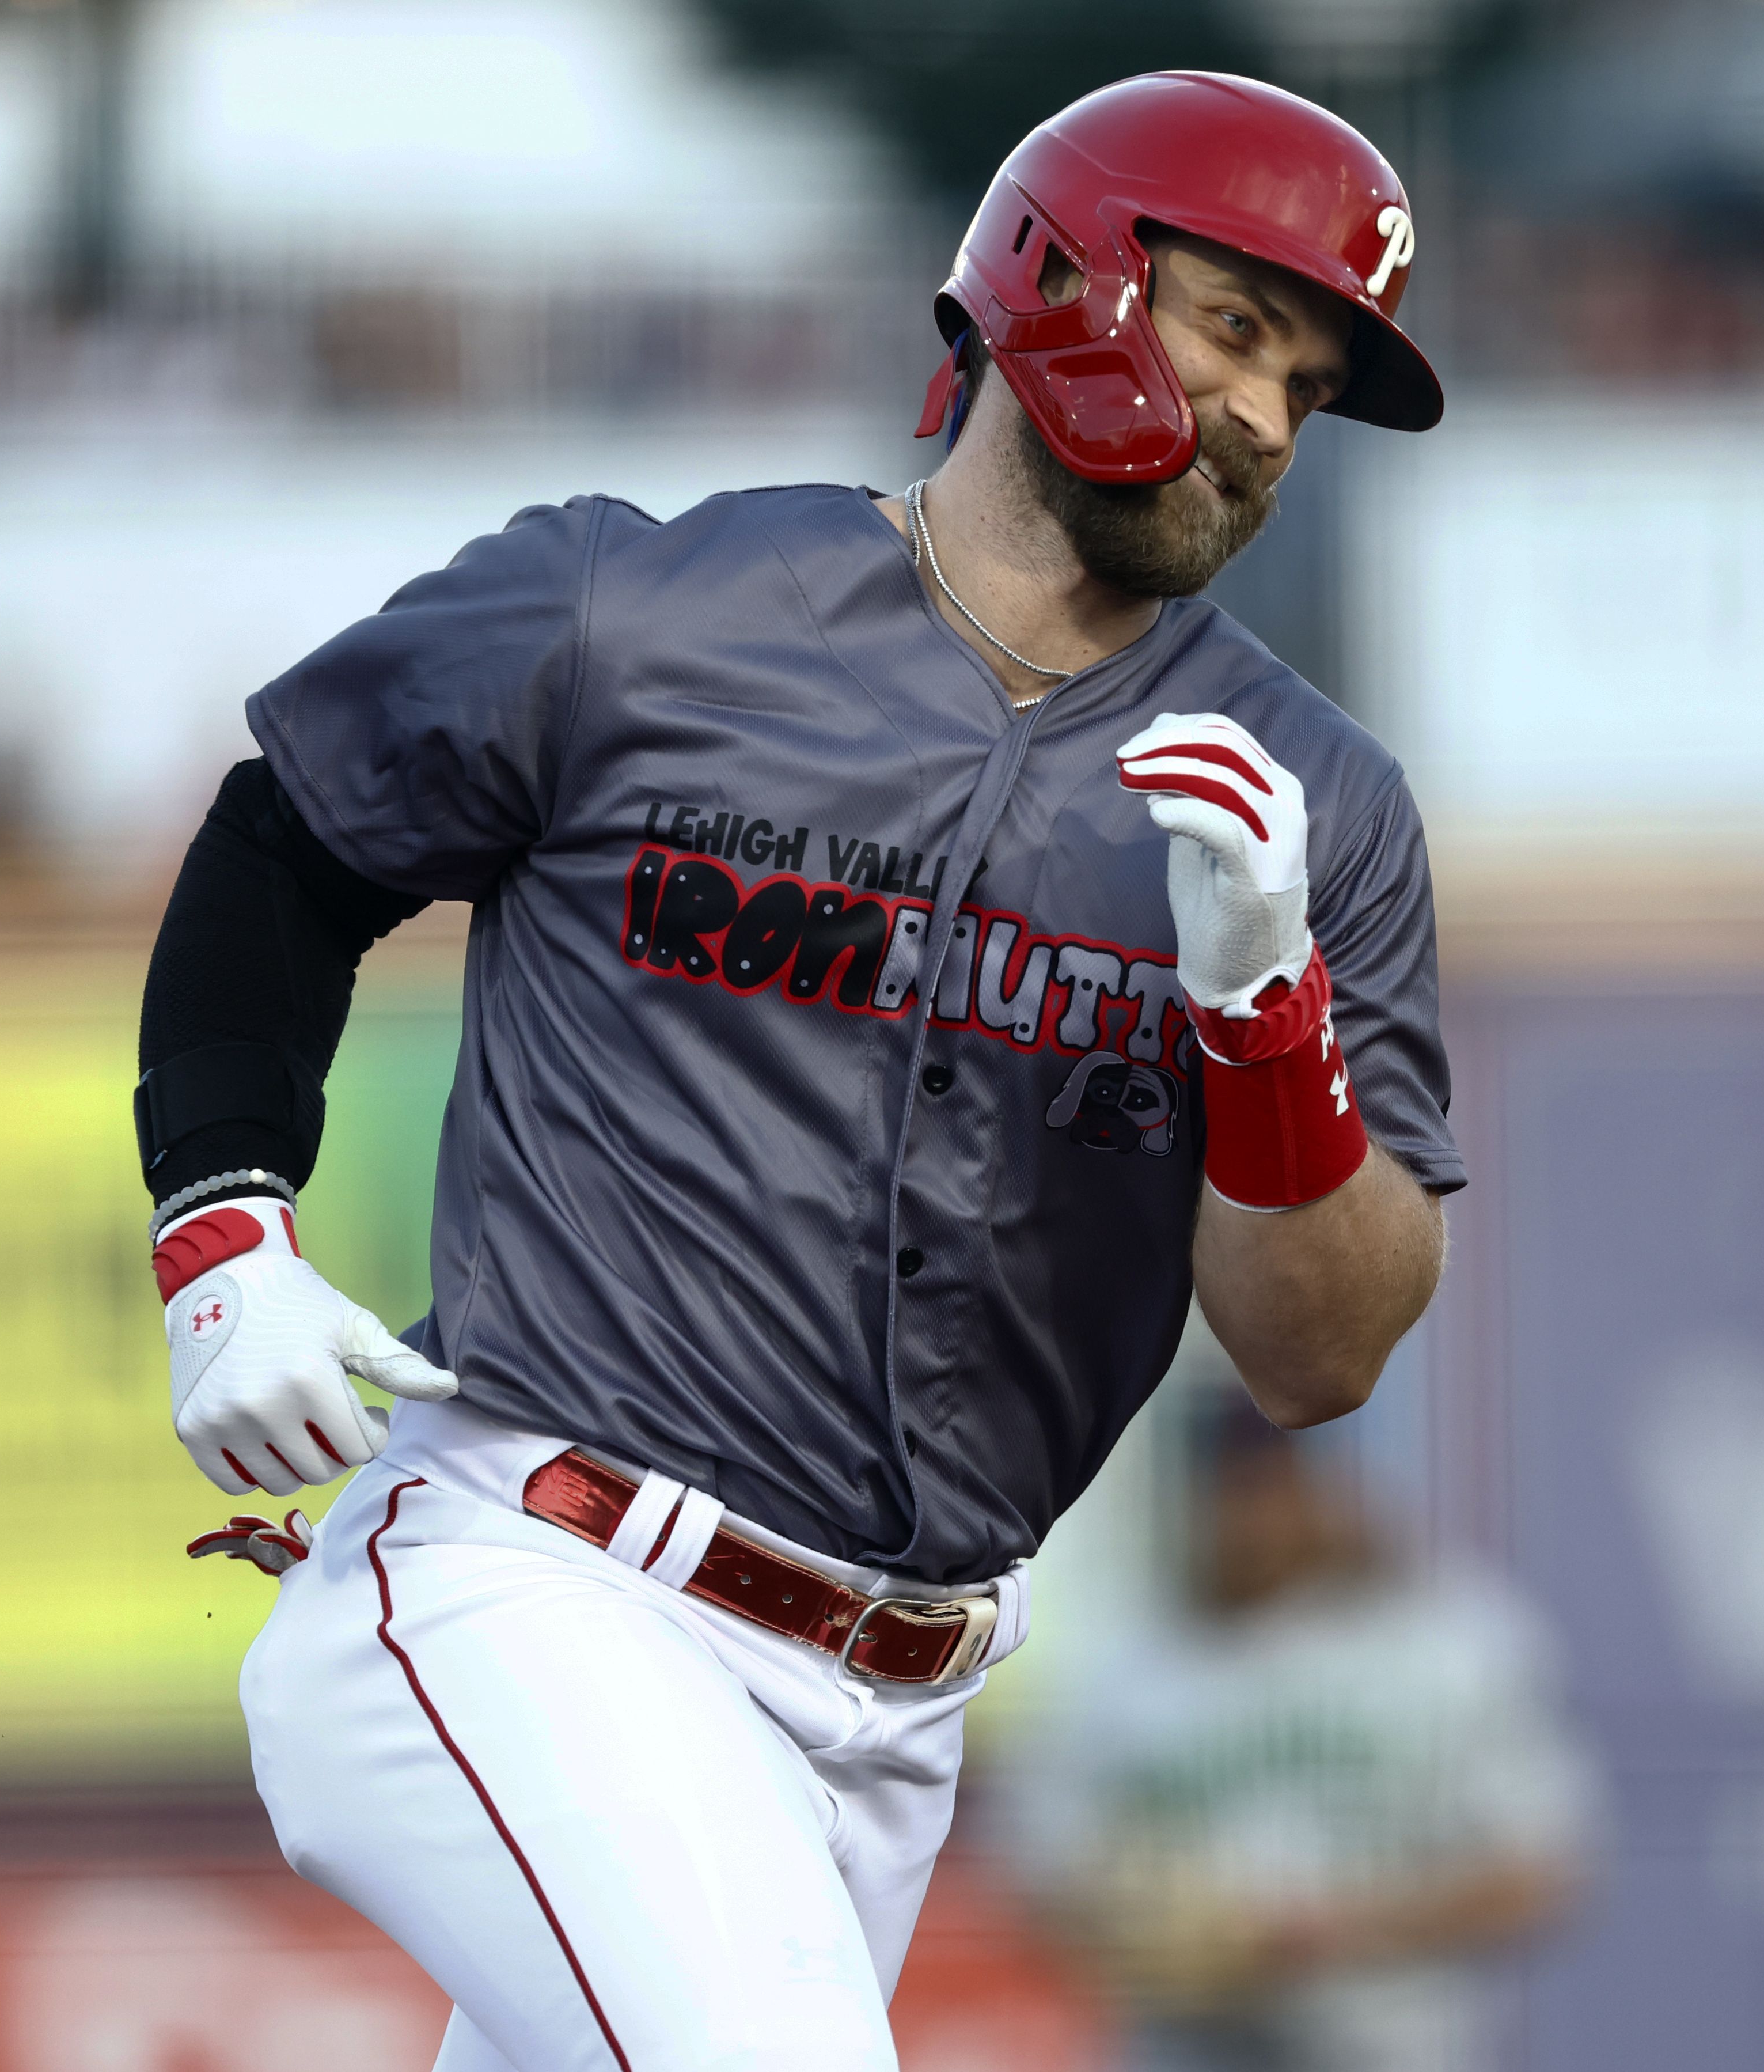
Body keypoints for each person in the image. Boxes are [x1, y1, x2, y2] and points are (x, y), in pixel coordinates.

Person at [132, 72, 1461, 2072]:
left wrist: (1269, 1025)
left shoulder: (1318, 811)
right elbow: (284, 848)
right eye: (1237, 329)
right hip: (539, 1577)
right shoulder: (640, 607)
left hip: (891, 1712)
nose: (1274, 417)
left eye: (1315, 380)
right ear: (1063, 274)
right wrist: (221, 1226)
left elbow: (1319, 1353)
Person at [1003, 1395, 1596, 2072]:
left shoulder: (1446, 1637)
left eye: (1274, 1488)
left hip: (1392, 2043)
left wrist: (1340, 1930)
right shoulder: (1121, 1660)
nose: (1253, 1520)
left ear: (1326, 1486)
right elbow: (1042, 1873)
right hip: (1190, 2048)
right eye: (1233, 1492)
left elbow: (1540, 1873)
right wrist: (1148, 1924)